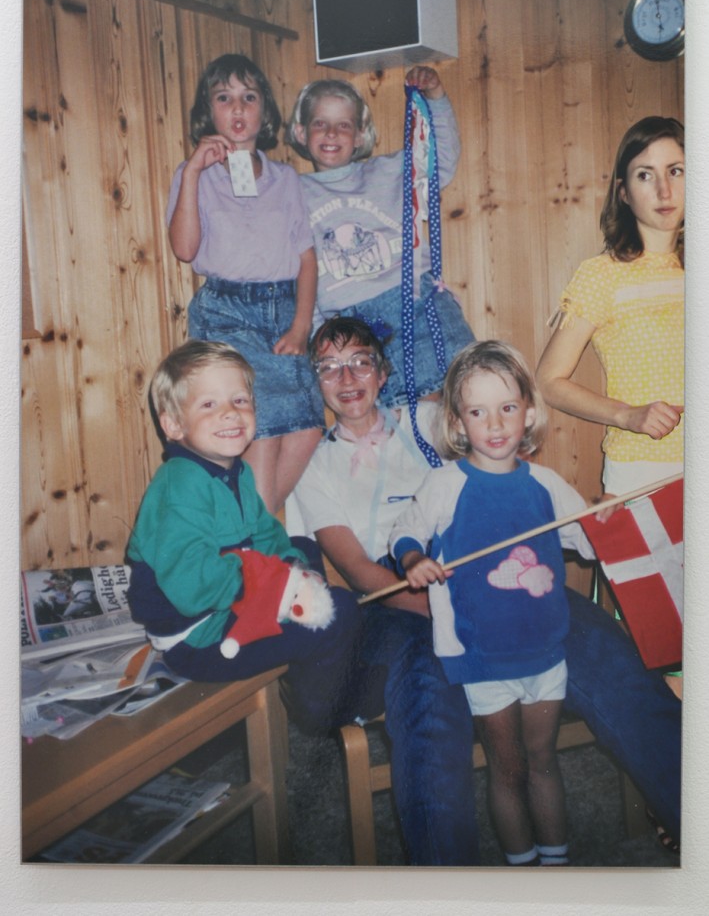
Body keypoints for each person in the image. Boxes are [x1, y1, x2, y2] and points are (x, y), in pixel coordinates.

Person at [289, 317, 682, 864]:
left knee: (604, 648)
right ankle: (447, 875)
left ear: (382, 372)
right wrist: (445, 607)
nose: (347, 376)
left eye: (360, 360)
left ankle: (691, 807)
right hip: (398, 592)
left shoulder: (429, 419)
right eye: (327, 367)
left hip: (501, 574)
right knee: (429, 698)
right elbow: (357, 569)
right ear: (315, 385)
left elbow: (493, 422)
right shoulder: (313, 464)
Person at [390, 341, 593, 866]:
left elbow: (594, 543)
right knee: (509, 768)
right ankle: (520, 867)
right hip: (481, 658)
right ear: (459, 423)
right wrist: (414, 561)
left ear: (528, 410)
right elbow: (404, 533)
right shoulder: (444, 484)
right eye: (479, 411)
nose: (496, 423)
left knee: (545, 761)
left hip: (546, 651)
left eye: (507, 407)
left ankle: (557, 864)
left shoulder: (547, 484)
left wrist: (611, 525)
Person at [125, 340, 361, 734]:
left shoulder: (236, 472)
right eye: (209, 405)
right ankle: (318, 713)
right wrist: (274, 581)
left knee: (302, 548)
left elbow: (266, 533)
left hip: (230, 601)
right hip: (198, 637)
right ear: (173, 425)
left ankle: (323, 669)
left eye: (239, 400)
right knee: (340, 613)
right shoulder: (180, 486)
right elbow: (192, 589)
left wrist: (294, 570)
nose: (230, 414)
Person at [167, 53, 323, 513]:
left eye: (248, 98)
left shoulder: (285, 179)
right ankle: (256, 538)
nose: (237, 108)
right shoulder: (193, 174)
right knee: (266, 421)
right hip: (227, 311)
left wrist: (300, 328)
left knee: (309, 423)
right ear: (208, 112)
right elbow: (184, 250)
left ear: (265, 114)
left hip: (282, 311)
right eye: (224, 98)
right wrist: (194, 172)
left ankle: (250, 531)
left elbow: (307, 261)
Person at [284, 66, 475, 408]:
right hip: (352, 323)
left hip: (415, 300)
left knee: (464, 395)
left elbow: (441, 161)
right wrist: (318, 333)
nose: (331, 133)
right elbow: (298, 269)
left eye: (343, 124)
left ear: (360, 135)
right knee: (401, 415)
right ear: (301, 132)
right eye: (320, 123)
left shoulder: (388, 171)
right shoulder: (291, 192)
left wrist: (436, 97)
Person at [536, 116, 684, 502]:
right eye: (645, 176)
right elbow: (548, 382)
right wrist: (628, 416)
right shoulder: (602, 275)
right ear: (624, 192)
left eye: (676, 171)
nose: (665, 189)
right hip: (644, 471)